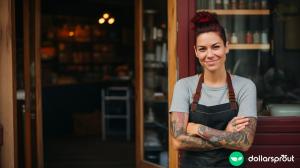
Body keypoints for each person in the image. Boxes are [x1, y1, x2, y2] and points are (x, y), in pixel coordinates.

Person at [169, 11, 257, 167]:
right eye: (202, 49)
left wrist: (199, 128)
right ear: (196, 52)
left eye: (215, 47)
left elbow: (244, 143)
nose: (209, 55)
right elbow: (178, 142)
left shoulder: (245, 86)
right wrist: (228, 136)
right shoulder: (184, 86)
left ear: (226, 47)